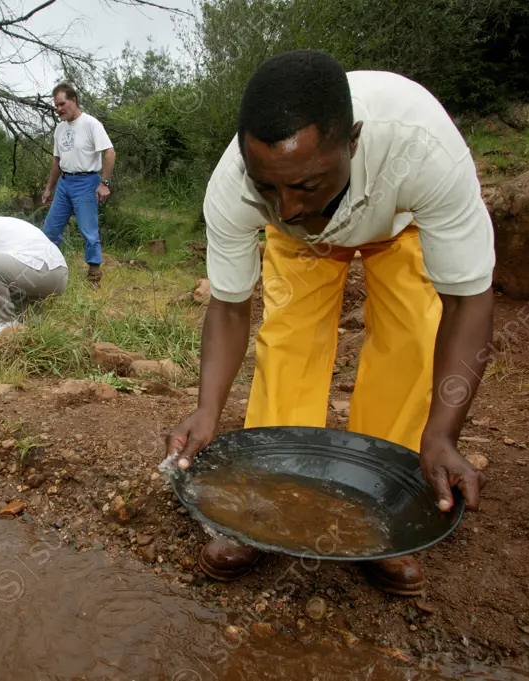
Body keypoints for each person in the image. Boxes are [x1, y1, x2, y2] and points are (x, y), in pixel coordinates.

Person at [165, 50, 495, 596]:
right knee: (289, 340)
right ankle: (264, 505)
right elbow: (228, 305)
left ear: (354, 141)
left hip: (397, 225)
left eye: (307, 185)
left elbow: (468, 299)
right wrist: (206, 409)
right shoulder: (236, 187)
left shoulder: (423, 147)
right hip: (302, 253)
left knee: (411, 336)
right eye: (267, 187)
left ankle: (385, 508)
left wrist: (443, 433)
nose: (287, 206)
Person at [40, 82, 116, 288]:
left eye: (62, 104)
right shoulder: (59, 129)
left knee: (88, 230)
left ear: (73, 100)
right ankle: (50, 273)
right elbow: (57, 161)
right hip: (65, 183)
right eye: (56, 106)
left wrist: (104, 183)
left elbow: (110, 152)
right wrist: (49, 188)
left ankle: (94, 277)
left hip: (87, 181)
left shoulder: (91, 124)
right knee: (49, 230)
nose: (59, 109)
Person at [0, 207, 69, 339]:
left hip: (39, 271)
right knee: (22, 319)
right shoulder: (6, 226)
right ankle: (28, 326)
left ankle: (1, 324)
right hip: (57, 276)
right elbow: (4, 277)